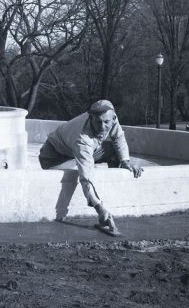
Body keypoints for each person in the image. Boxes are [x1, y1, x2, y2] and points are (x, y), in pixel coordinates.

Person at [39, 100, 143, 234]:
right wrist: (99, 209)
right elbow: (86, 178)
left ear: (113, 118)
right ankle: (102, 206)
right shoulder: (83, 140)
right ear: (90, 117)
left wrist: (125, 162)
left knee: (115, 153)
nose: (103, 127)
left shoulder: (111, 118)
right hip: (53, 157)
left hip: (72, 151)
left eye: (106, 122)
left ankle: (111, 199)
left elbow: (119, 138)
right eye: (98, 122)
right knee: (79, 176)